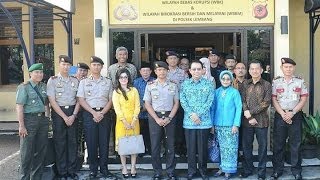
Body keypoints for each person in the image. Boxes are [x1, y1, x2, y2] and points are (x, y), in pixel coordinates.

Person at [77, 56, 116, 179]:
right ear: (91, 66)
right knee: (91, 142)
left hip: (104, 114)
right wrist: (94, 113)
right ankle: (93, 169)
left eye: (98, 65)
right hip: (90, 115)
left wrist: (102, 113)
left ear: (102, 67)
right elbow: (81, 100)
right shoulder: (84, 82)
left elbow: (111, 100)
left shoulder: (108, 82)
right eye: (94, 65)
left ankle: (104, 169)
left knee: (104, 143)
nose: (96, 67)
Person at [271, 58, 308, 180]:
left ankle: (296, 171)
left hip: (295, 116)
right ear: (282, 68)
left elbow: (303, 99)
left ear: (294, 68)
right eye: (285, 67)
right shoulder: (276, 82)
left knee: (295, 144)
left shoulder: (300, 82)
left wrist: (292, 112)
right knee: (278, 144)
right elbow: (274, 99)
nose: (288, 69)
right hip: (280, 116)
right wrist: (283, 113)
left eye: (290, 67)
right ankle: (277, 170)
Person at [144, 61, 180, 180]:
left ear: (167, 71)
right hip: (155, 116)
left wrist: (169, 118)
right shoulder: (150, 85)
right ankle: (157, 172)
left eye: (164, 70)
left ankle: (170, 171)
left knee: (170, 145)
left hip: (170, 116)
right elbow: (147, 104)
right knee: (155, 146)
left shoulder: (173, 85)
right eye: (159, 70)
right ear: (155, 72)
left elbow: (176, 103)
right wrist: (156, 119)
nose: (162, 72)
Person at [180, 60, 215, 180]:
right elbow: (182, 100)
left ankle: (203, 170)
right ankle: (191, 170)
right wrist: (192, 114)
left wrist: (198, 114)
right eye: (194, 69)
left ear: (203, 70)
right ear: (189, 71)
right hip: (189, 122)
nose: (196, 71)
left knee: (202, 148)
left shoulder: (209, 84)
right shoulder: (185, 84)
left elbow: (210, 101)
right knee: (191, 149)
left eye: (198, 69)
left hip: (204, 122)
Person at [47, 55, 80, 179]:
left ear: (70, 66)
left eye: (68, 65)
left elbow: (79, 100)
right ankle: (62, 172)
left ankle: (71, 171)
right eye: (63, 64)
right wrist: (64, 117)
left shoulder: (75, 80)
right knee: (60, 142)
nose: (66, 67)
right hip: (58, 113)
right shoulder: (53, 80)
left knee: (72, 142)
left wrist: (73, 115)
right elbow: (52, 100)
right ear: (59, 65)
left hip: (72, 112)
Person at [16, 63, 50, 180]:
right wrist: (21, 126)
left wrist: (47, 119)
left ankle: (36, 177)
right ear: (30, 73)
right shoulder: (24, 87)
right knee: (26, 153)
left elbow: (46, 104)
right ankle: (24, 177)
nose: (39, 74)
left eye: (41, 72)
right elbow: (19, 107)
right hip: (29, 120)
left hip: (42, 120)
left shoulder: (43, 86)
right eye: (36, 72)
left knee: (40, 151)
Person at [239, 60, 272, 180]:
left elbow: (266, 103)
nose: (254, 71)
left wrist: (250, 113)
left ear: (261, 70)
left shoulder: (267, 85)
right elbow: (242, 101)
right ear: (249, 71)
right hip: (247, 121)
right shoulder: (245, 84)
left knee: (262, 148)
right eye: (252, 69)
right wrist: (249, 116)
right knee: (247, 146)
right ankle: (248, 169)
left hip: (262, 121)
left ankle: (261, 172)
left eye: (257, 68)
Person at [212, 70, 242, 179]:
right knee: (220, 148)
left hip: (231, 126)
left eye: (228, 79)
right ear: (220, 79)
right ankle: (221, 168)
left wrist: (236, 124)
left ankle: (228, 170)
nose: (225, 81)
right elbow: (213, 109)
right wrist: (212, 124)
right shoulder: (216, 92)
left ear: (231, 80)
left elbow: (239, 109)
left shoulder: (235, 92)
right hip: (218, 125)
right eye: (223, 79)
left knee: (230, 148)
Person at [113, 68, 140, 178]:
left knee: (134, 144)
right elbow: (117, 108)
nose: (123, 79)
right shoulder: (116, 92)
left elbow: (137, 105)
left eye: (125, 77)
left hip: (134, 121)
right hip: (121, 122)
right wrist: (124, 121)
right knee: (122, 146)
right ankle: (124, 167)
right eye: (121, 77)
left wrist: (133, 120)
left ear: (128, 78)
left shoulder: (134, 90)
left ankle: (133, 166)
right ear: (118, 79)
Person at [166, 51, 188, 156]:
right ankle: (168, 150)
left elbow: (186, 88)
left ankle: (180, 148)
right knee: (167, 128)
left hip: (180, 103)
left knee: (179, 127)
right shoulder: (163, 72)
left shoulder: (183, 73)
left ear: (177, 60)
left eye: (175, 58)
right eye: (170, 58)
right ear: (167, 60)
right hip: (166, 104)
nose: (173, 60)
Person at [133, 62, 155, 156]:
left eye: (147, 70)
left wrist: (148, 106)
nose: (145, 72)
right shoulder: (136, 82)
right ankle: (142, 150)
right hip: (140, 112)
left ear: (150, 71)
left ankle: (151, 150)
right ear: (140, 72)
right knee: (141, 132)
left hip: (152, 112)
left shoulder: (155, 81)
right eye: (143, 71)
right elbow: (134, 96)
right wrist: (142, 107)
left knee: (151, 133)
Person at [74, 62, 89, 170]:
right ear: (76, 71)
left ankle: (82, 161)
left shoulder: (89, 82)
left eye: (84, 71)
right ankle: (75, 164)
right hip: (74, 114)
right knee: (75, 139)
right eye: (80, 70)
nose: (82, 73)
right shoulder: (71, 81)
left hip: (86, 113)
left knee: (85, 138)